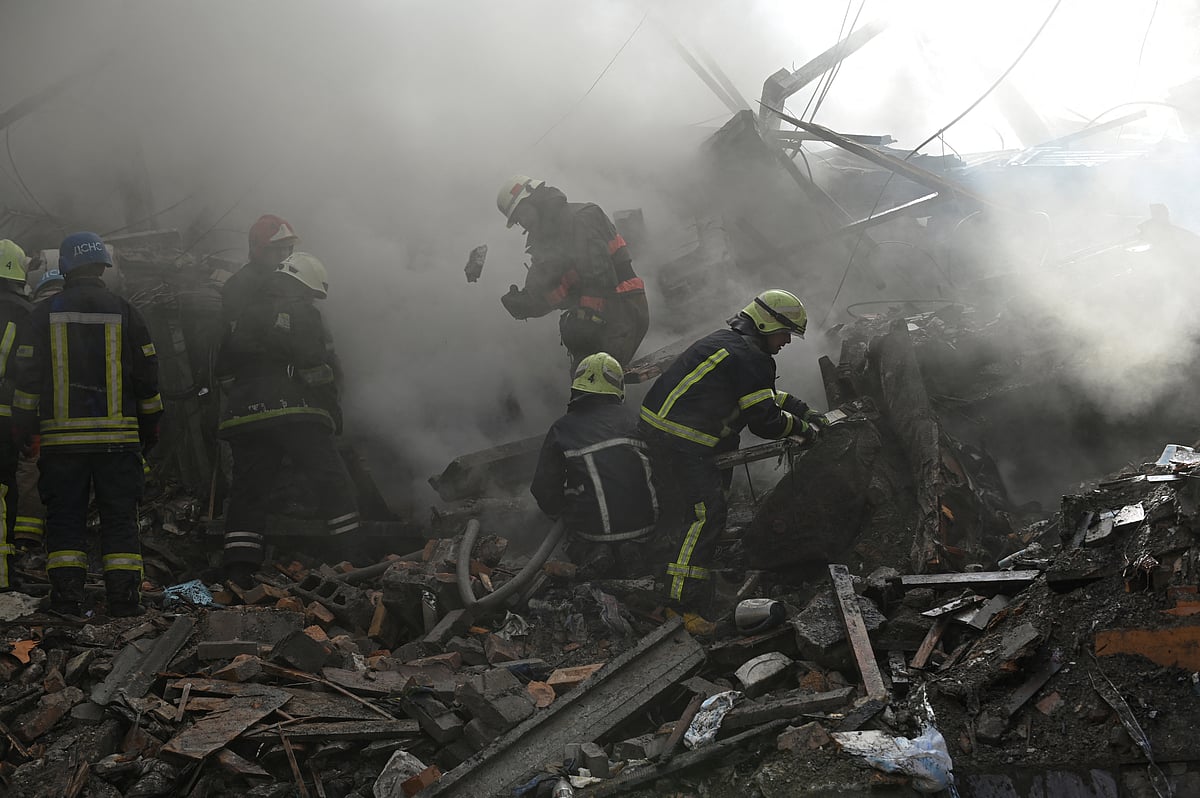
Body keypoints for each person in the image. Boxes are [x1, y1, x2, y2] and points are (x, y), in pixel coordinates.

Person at [638, 289, 825, 614]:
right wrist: (806, 430)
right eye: (785, 333)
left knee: (679, 508)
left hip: (662, 434)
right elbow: (765, 421)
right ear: (767, 324)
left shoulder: (731, 345)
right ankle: (682, 601)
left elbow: (763, 397)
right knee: (705, 513)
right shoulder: (751, 358)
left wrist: (804, 411)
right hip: (679, 442)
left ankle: (662, 568)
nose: (787, 341)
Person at [12, 232, 163, 616]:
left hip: (62, 444)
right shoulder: (127, 311)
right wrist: (150, 427)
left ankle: (66, 599)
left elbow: (27, 380)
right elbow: (147, 378)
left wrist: (24, 426)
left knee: (65, 519)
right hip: (119, 442)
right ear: (102, 267)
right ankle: (124, 600)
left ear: (64, 267)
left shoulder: (42, 315)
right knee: (120, 517)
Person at [217, 252, 359, 587]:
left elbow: (224, 371)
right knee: (332, 479)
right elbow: (315, 368)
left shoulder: (245, 313)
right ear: (303, 286)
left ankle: (239, 568)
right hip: (297, 412)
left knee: (249, 490)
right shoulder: (302, 311)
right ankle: (353, 557)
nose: (312, 300)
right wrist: (333, 412)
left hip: (245, 416)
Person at [495, 176, 649, 371]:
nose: (523, 223)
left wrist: (585, 320)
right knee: (586, 381)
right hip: (598, 320)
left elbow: (601, 280)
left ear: (535, 199)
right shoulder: (545, 243)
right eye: (518, 221)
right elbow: (555, 291)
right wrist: (526, 304)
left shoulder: (582, 219)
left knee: (594, 381)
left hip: (623, 308)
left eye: (522, 214)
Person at [530, 352, 658, 578]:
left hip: (592, 533)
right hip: (646, 527)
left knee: (573, 500)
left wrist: (563, 515)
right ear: (617, 387)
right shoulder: (636, 419)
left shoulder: (561, 429)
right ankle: (633, 552)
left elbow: (543, 488)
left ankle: (593, 557)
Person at [0, 240, 32, 590]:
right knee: (3, 491)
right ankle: (2, 578)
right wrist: (27, 426)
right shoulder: (24, 313)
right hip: (4, 417)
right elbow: (28, 375)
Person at [221, 214, 299, 330]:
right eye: (277, 248)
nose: (283, 253)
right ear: (259, 249)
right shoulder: (241, 283)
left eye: (287, 247)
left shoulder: (289, 280)